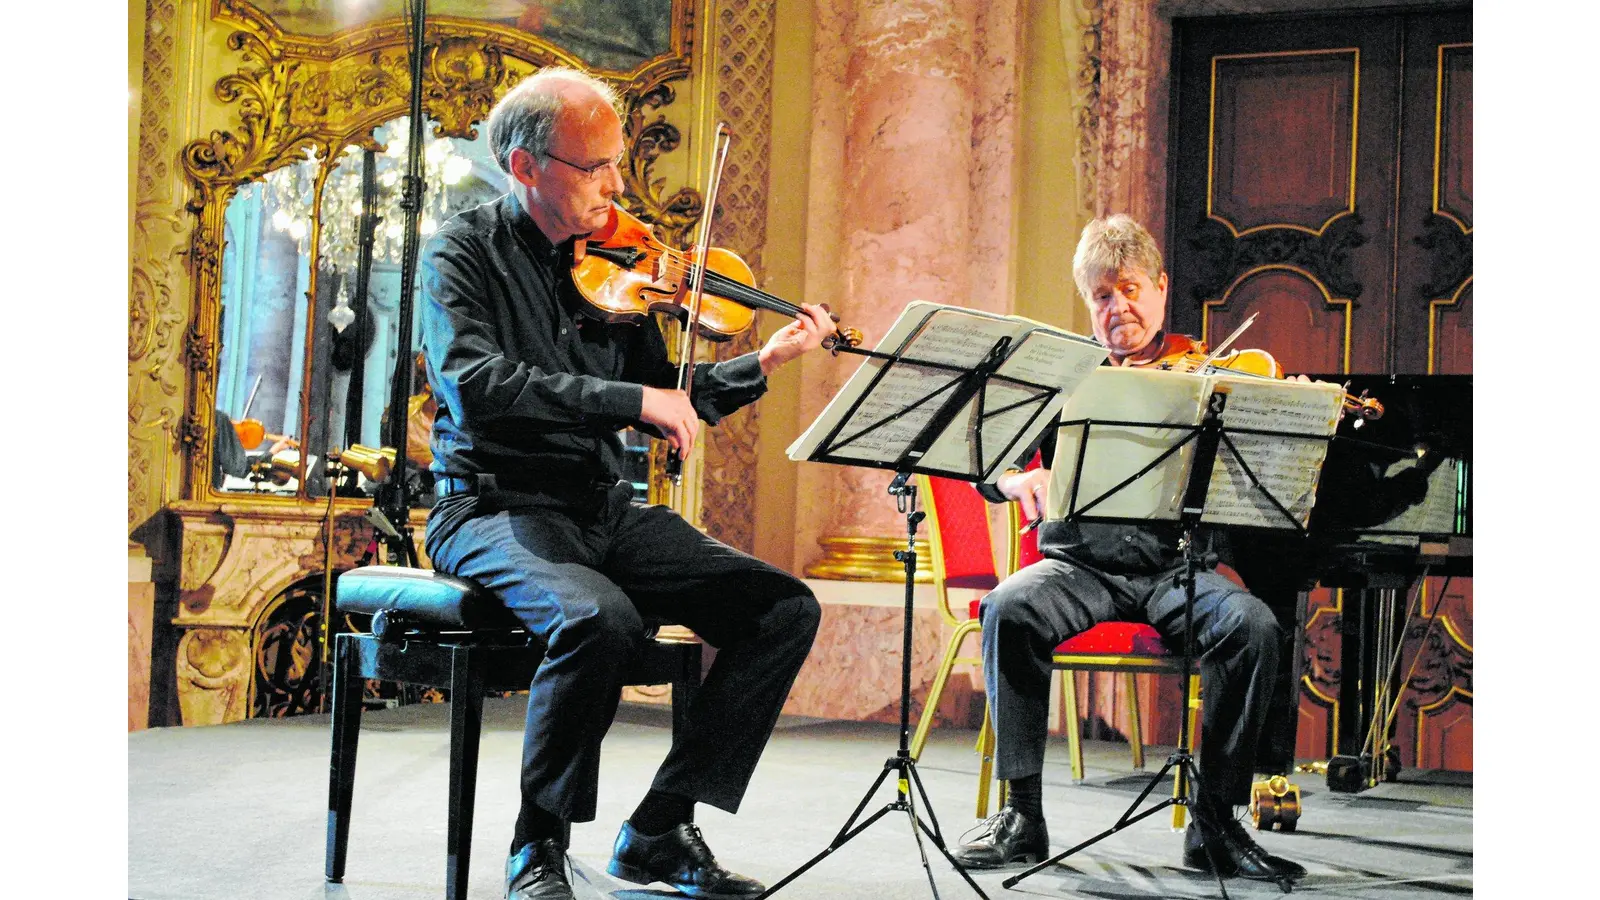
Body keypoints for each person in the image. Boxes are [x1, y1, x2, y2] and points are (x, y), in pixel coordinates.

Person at [419, 68, 835, 900]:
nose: (616, 186)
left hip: (600, 505)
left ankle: (657, 829)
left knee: (782, 608)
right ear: (524, 165)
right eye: (595, 166)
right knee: (597, 618)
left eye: (617, 164)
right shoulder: (459, 253)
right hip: (491, 503)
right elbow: (476, 383)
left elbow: (664, 398)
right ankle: (536, 845)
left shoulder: (618, 265)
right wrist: (627, 398)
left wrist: (763, 361)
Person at [950, 214, 1306, 883]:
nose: (1121, 308)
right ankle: (1022, 816)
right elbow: (984, 462)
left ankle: (1216, 827)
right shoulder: (1065, 377)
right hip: (1079, 565)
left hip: (1178, 569)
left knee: (1252, 624)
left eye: (1132, 289)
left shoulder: (1204, 373)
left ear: (1162, 288)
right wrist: (1019, 478)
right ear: (1089, 305)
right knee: (1008, 608)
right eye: (1103, 296)